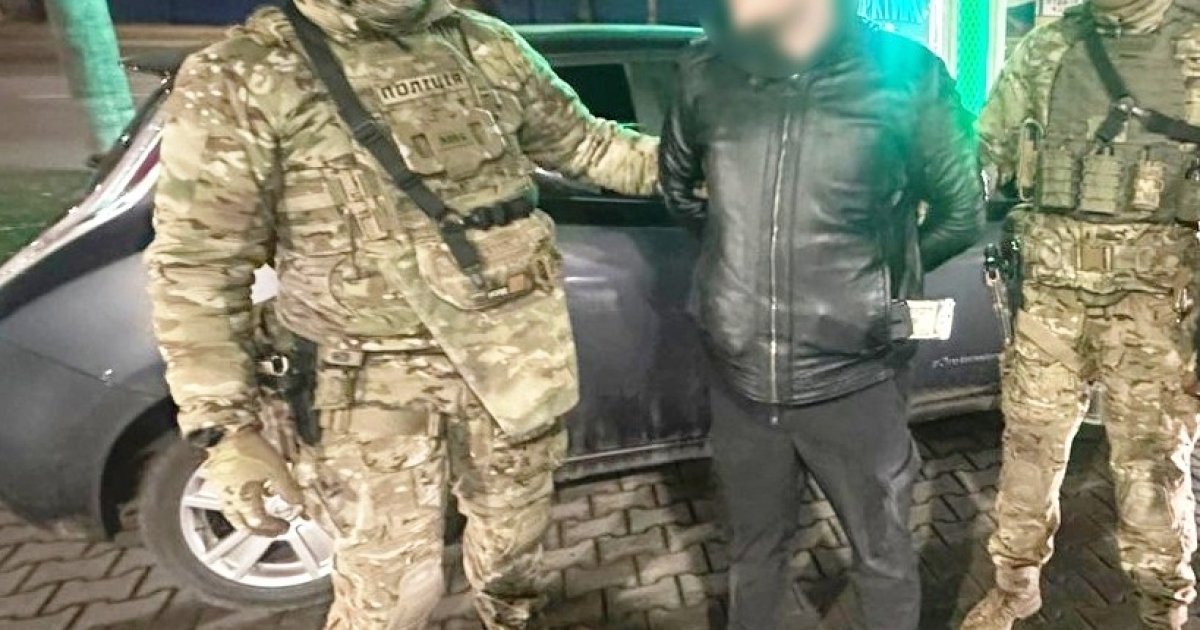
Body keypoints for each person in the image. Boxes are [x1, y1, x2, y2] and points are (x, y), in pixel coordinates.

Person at [144, 1, 658, 628]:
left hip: (512, 361)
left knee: (515, 554)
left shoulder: (483, 44)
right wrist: (228, 430)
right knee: (394, 596)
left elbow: (588, 144)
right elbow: (197, 264)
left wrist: (717, 163)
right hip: (366, 386)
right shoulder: (245, 73)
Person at [658, 0, 984, 628]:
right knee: (754, 554)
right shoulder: (705, 69)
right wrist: (742, 268)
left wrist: (875, 286)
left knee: (882, 557)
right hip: (740, 381)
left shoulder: (906, 74)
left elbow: (961, 213)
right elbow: (679, 192)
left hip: (854, 380)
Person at [964, 1, 1200, 628]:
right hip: (1053, 301)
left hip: (1152, 309)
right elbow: (984, 146)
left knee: (1152, 467)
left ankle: (1163, 608)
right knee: (1028, 450)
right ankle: (1015, 586)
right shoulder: (1050, 45)